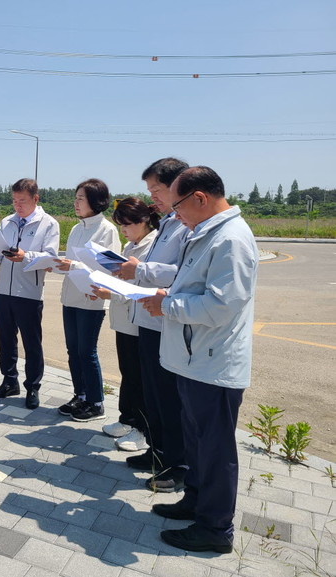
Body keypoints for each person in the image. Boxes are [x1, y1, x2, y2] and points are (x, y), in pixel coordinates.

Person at [140, 166, 258, 554]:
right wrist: (168, 295)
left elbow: (222, 306)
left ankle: (215, 528)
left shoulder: (231, 240)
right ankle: (195, 501)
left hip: (213, 363)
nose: (175, 215)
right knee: (197, 443)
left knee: (215, 449)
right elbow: (193, 287)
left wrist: (167, 305)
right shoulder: (206, 233)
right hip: (194, 359)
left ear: (200, 198)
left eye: (177, 207)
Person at [115, 158, 190, 491]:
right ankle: (158, 451)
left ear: (178, 186)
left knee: (169, 399)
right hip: (147, 319)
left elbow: (183, 273)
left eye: (156, 190)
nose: (152, 197)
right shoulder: (169, 224)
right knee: (153, 396)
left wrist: (140, 270)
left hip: (166, 323)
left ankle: (178, 465)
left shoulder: (187, 226)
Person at [0, 178, 59, 410]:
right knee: (6, 340)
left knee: (31, 343)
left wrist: (26, 256)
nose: (17, 205)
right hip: (4, 291)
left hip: (29, 293)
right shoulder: (7, 222)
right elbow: (1, 256)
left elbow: (51, 258)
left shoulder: (49, 224)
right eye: (14, 201)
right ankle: (9, 381)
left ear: (36, 199)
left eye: (22, 201)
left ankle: (33, 387)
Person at [91, 198, 159, 446]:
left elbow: (141, 290)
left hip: (140, 321)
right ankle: (127, 419)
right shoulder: (132, 246)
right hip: (125, 320)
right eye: (120, 225)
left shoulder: (153, 247)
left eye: (127, 225)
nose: (123, 231)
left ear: (144, 221)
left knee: (140, 378)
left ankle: (141, 430)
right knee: (128, 373)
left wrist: (111, 293)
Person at [54, 179, 120, 421]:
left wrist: (73, 265)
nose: (76, 203)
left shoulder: (107, 230)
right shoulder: (75, 228)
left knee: (87, 351)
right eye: (75, 198)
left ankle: (96, 401)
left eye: (81, 198)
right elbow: (71, 263)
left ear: (96, 200)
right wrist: (56, 265)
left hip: (91, 299)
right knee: (73, 350)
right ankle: (80, 395)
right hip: (70, 297)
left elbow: (111, 267)